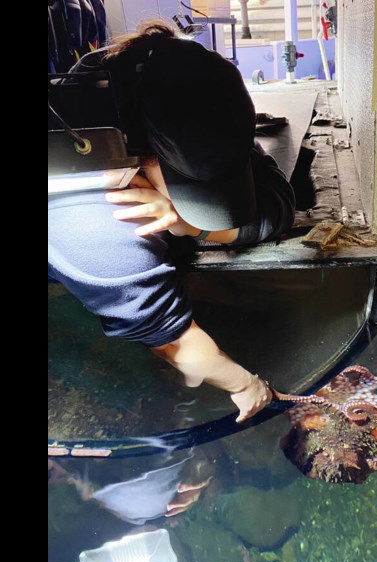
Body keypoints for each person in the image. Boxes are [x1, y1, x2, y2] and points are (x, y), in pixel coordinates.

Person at [48, 20, 295, 423]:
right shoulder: (97, 222)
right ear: (125, 150)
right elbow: (173, 341)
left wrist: (191, 223)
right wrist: (245, 386)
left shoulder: (177, 96)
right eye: (181, 178)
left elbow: (276, 206)